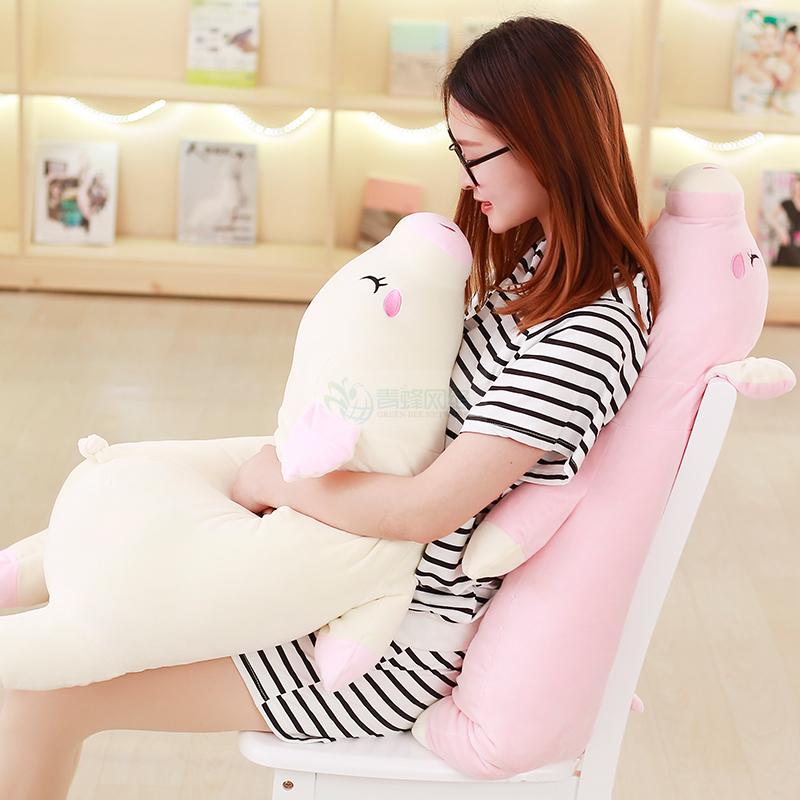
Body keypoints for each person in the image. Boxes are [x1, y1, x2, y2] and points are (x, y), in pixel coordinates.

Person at [0, 15, 660, 797]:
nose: (464, 177)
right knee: (93, 568)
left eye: (475, 151)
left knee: (34, 693)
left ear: (547, 142)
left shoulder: (587, 332)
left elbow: (426, 510)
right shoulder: (539, 272)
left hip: (383, 648)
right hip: (335, 579)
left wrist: (279, 481)